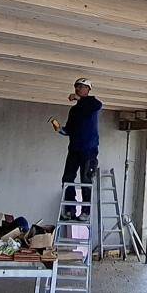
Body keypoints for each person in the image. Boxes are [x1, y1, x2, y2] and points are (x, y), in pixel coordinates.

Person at [55, 78, 102, 220]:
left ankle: (86, 212)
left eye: (81, 87)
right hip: (74, 149)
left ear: (88, 89)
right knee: (67, 178)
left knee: (86, 179)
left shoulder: (92, 104)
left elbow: (98, 105)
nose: (77, 89)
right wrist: (60, 129)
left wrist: (79, 98)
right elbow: (69, 129)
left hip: (89, 149)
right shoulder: (74, 110)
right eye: (76, 87)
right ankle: (70, 209)